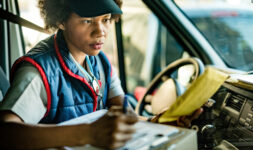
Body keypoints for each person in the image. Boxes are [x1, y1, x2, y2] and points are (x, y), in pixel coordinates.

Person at [0, 0, 202, 149]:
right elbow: (6, 134)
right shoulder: (38, 72)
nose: (101, 32)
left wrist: (158, 122)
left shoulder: (101, 62)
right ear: (61, 21)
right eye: (87, 21)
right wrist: (86, 133)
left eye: (105, 19)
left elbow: (123, 114)